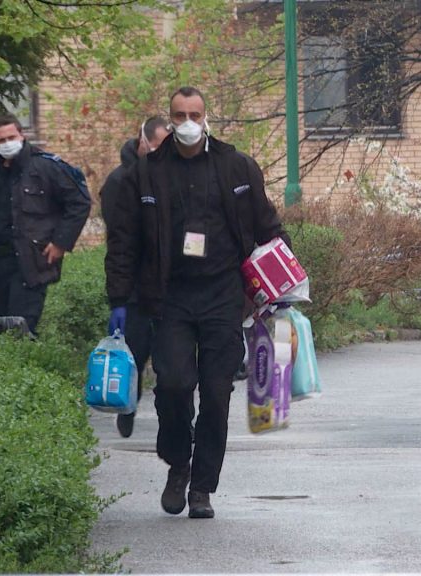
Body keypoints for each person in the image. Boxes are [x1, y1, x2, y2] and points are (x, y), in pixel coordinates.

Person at [105, 86, 289, 519]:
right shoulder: (146, 173)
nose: (187, 121)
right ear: (168, 120)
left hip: (223, 295)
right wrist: (119, 300)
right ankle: (177, 462)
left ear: (207, 117)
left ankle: (202, 487)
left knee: (216, 394)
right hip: (170, 296)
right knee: (172, 384)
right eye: (179, 114)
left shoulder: (236, 166)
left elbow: (268, 227)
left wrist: (282, 285)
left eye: (195, 114)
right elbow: (124, 241)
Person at [0, 115, 92, 334]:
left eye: (11, 137)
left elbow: (80, 202)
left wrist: (60, 243)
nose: (7, 143)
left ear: (22, 135)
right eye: (1, 140)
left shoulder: (45, 166)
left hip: (30, 263)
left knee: (20, 330)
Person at [100, 116, 171, 438]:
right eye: (157, 147)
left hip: (171, 288)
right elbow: (118, 245)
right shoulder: (120, 183)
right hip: (137, 292)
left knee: (172, 361)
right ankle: (128, 406)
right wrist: (119, 299)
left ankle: (174, 418)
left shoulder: (173, 176)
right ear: (142, 142)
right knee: (137, 354)